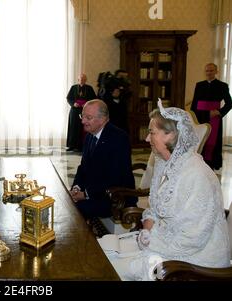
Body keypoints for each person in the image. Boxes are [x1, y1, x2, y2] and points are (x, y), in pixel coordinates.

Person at [125, 100, 231, 280]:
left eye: (152, 133)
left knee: (130, 270)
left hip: (200, 259)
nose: (147, 138)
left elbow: (192, 238)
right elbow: (157, 206)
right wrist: (149, 221)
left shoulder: (196, 174)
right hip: (170, 240)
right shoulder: (165, 163)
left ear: (171, 135)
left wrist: (152, 237)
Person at [70, 100, 136, 220]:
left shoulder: (119, 138)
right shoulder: (89, 136)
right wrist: (77, 187)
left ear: (103, 119)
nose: (83, 121)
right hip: (95, 191)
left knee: (73, 210)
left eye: (88, 117)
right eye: (82, 116)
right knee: (67, 202)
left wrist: (86, 194)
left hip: (114, 196)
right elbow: (83, 168)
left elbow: (115, 177)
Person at [191, 63, 232, 170]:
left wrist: (219, 112)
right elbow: (195, 103)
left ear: (216, 71)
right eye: (207, 71)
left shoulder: (223, 86)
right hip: (200, 116)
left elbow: (229, 103)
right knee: (199, 138)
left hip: (214, 117)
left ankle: (211, 164)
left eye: (211, 71)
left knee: (211, 141)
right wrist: (192, 117)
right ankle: (198, 162)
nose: (209, 73)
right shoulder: (199, 85)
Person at [66, 73, 96, 152]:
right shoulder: (73, 87)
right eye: (80, 79)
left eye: (83, 79)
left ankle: (81, 146)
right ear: (78, 80)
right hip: (75, 110)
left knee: (83, 128)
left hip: (85, 110)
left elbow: (94, 99)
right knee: (73, 127)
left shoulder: (89, 88)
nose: (81, 81)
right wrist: (73, 103)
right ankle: (72, 145)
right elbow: (68, 98)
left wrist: (86, 104)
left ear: (86, 80)